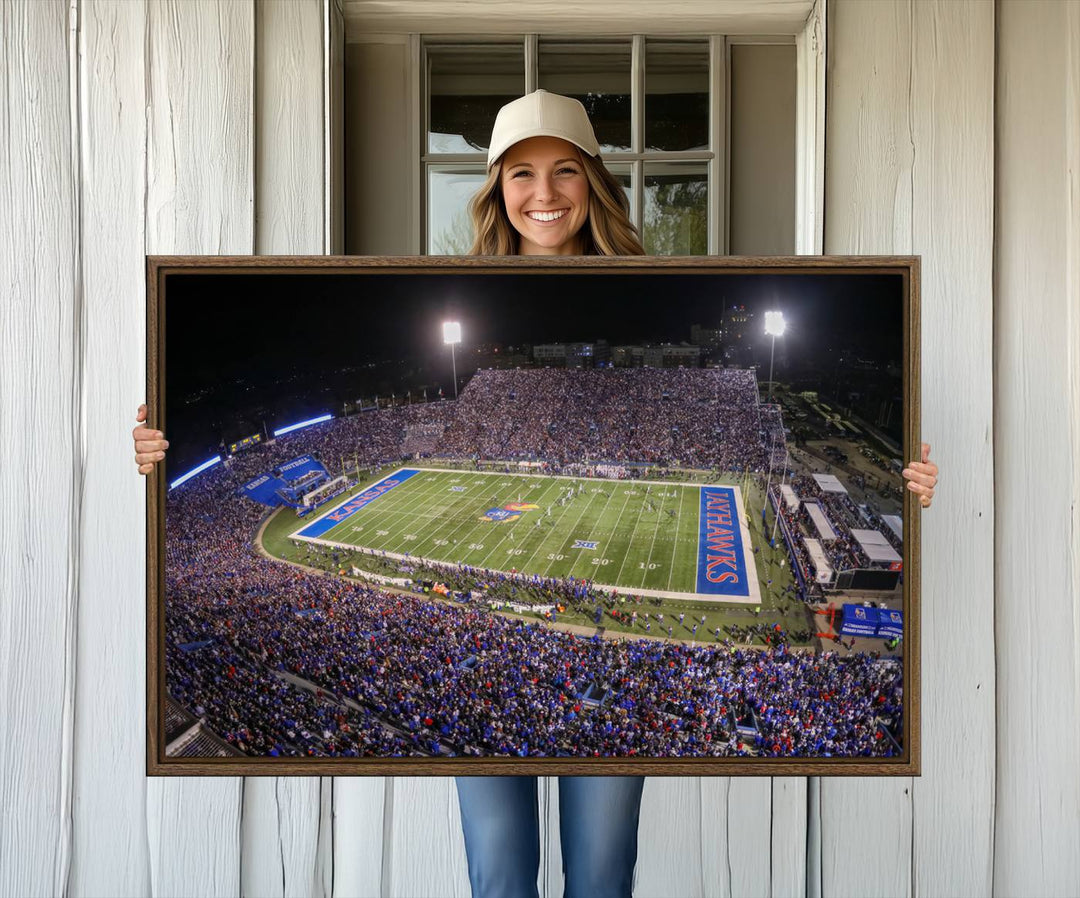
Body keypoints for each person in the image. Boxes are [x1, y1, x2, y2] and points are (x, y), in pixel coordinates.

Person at [131, 89, 941, 898]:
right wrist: (155, 448)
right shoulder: (456, 283)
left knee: (599, 874)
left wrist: (911, 485)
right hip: (492, 728)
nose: (543, 193)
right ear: (495, 188)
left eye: (564, 172)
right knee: (500, 875)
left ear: (594, 181)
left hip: (590, 736)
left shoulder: (657, 277)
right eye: (521, 174)